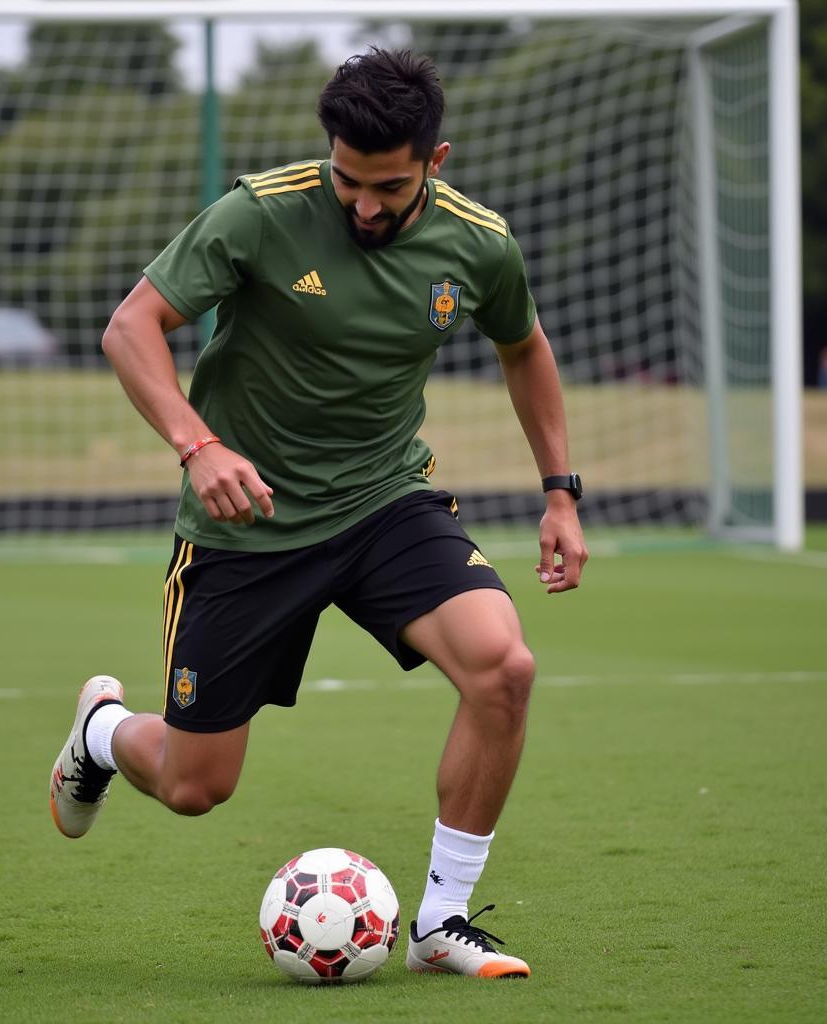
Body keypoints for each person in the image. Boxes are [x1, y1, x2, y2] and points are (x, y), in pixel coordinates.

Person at [50, 47, 587, 980]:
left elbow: (524, 347)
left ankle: (441, 921)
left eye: (387, 186)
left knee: (504, 668)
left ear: (436, 159)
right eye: (347, 181)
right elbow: (131, 325)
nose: (363, 205)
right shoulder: (260, 212)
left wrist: (559, 493)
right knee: (193, 786)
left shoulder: (478, 243)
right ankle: (100, 733)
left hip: (386, 500)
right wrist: (199, 446)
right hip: (247, 525)